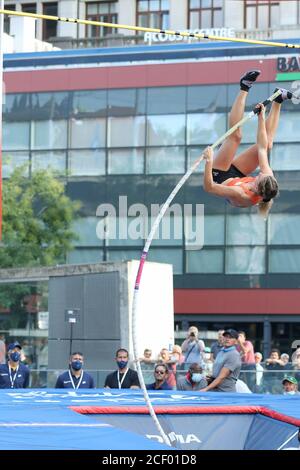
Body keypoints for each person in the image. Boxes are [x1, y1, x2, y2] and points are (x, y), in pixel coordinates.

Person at [203, 69, 292, 218]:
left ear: (257, 187)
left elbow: (209, 187)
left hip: (219, 177)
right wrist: (261, 117)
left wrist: (208, 160)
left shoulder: (241, 194)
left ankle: (244, 86)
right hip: (238, 176)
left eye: (259, 177)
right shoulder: (268, 179)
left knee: (235, 137)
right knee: (268, 144)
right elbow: (262, 147)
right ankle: (278, 99)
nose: (260, 173)